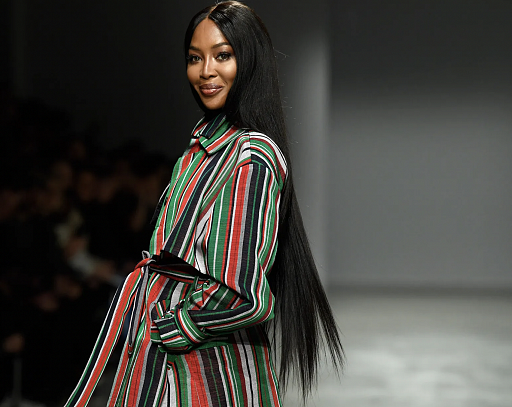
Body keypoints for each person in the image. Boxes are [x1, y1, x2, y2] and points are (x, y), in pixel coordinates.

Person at [64, 2, 344, 406]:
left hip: (203, 364)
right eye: (195, 58)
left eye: (222, 55)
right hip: (174, 354)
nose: (205, 71)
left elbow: (243, 293)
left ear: (250, 61)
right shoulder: (199, 151)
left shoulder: (250, 157)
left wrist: (178, 324)